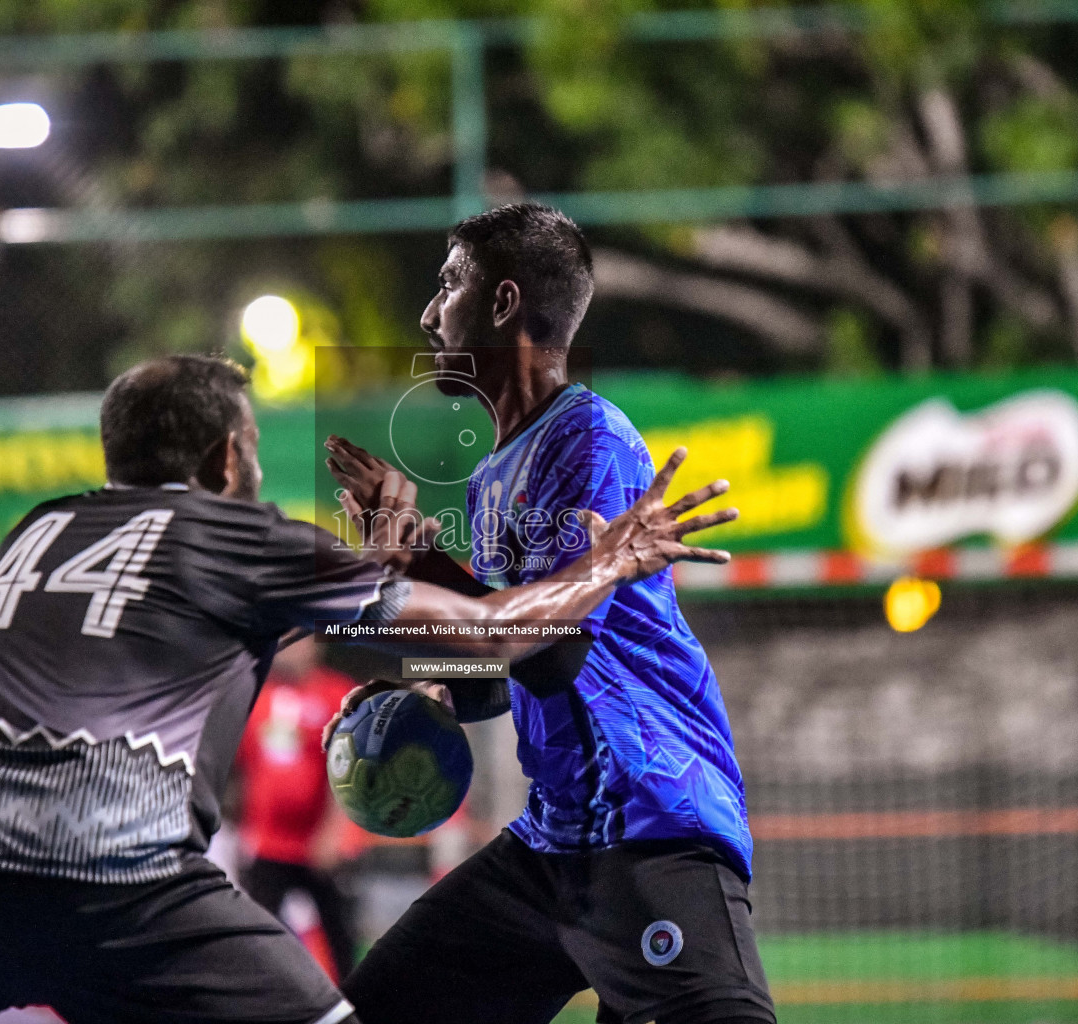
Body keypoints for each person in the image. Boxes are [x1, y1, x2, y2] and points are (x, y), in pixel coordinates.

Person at [0, 352, 738, 1024]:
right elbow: (488, 640)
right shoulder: (239, 536)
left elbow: (221, 620)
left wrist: (392, 561)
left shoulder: (36, 531)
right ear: (226, 463)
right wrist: (612, 559)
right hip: (124, 883)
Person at [325, 203, 776, 1024]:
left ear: (502, 305)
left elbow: (547, 645)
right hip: (556, 840)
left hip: (649, 823)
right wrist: (421, 656)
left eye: (449, 284)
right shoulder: (494, 472)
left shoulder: (590, 441)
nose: (429, 313)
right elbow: (500, 678)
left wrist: (401, 586)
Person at [233, 636, 360, 980]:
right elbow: (245, 768)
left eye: (295, 642)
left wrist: (334, 832)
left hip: (320, 844)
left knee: (340, 934)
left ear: (314, 646)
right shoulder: (257, 694)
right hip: (268, 843)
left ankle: (352, 1004)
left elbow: (349, 770)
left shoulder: (338, 692)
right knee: (257, 933)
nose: (286, 650)